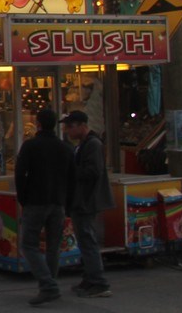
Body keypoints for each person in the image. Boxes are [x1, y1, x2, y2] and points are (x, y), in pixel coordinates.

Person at [16, 108, 74, 306]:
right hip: (58, 202)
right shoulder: (65, 148)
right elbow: (71, 178)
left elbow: (20, 174)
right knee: (53, 246)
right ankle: (50, 284)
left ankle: (48, 286)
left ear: (38, 124)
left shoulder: (30, 146)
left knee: (29, 244)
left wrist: (23, 198)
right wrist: (68, 202)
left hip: (35, 201)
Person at [63, 110, 113, 299]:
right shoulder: (84, 144)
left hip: (87, 200)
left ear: (81, 125)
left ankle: (99, 282)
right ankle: (89, 278)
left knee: (88, 239)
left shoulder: (93, 144)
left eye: (70, 126)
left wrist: (71, 171)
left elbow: (92, 171)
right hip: (81, 199)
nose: (67, 130)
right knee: (84, 240)